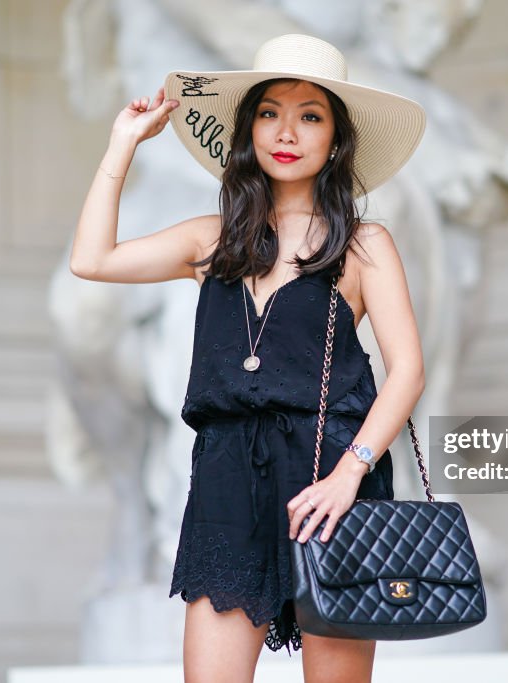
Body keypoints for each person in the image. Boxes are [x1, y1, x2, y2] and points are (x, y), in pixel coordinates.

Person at [70, 34, 426, 683]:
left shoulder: (365, 245)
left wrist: (351, 473)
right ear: (249, 129)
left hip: (333, 484)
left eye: (310, 114)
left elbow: (407, 370)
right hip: (228, 482)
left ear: (335, 139)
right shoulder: (211, 239)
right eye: (270, 111)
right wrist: (122, 144)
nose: (287, 130)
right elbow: (91, 260)